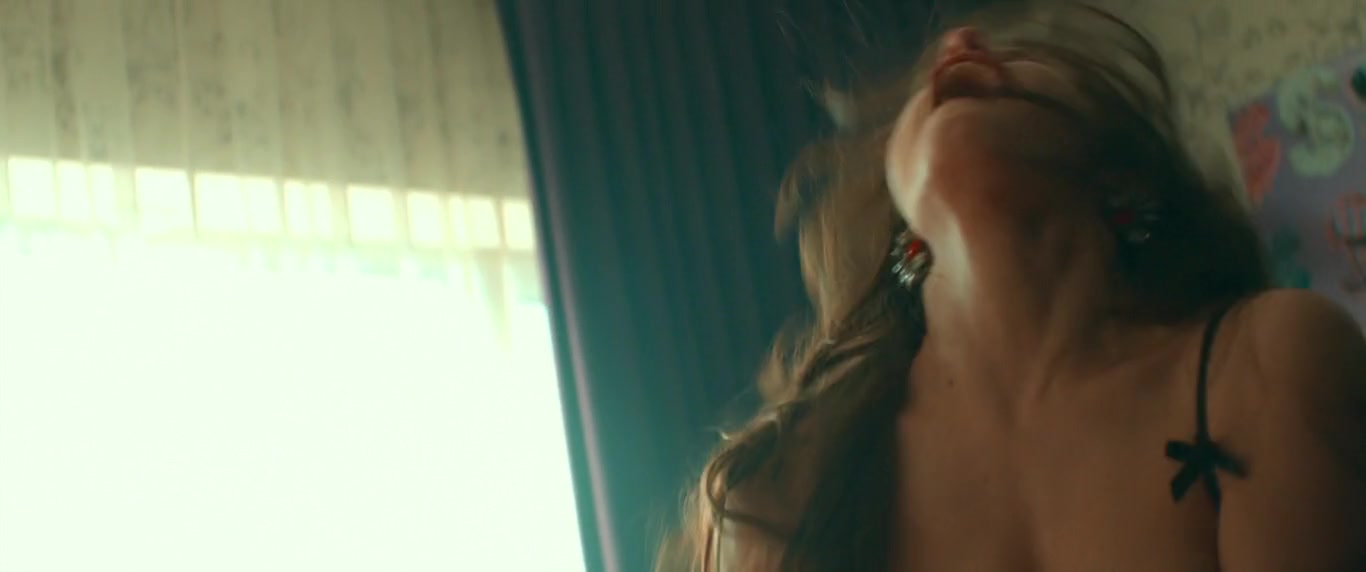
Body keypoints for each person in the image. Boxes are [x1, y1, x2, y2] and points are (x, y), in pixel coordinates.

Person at [658, 3, 1366, 571]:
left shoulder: (1267, 364)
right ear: (905, 228)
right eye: (930, 83)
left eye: (1025, 59)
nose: (961, 43)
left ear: (1124, 182)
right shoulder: (782, 490)